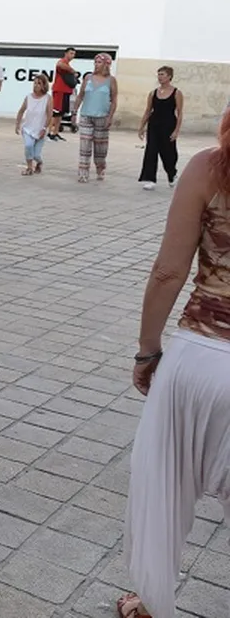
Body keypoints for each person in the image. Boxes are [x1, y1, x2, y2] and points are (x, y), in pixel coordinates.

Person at [121, 112, 230, 618]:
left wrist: (148, 349)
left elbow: (169, 270)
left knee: (167, 487)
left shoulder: (211, 167)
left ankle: (151, 602)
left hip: (199, 357)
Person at [72, 52, 118, 183]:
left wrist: (110, 117)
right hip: (86, 116)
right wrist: (74, 112)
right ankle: (83, 173)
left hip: (102, 117)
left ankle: (100, 166)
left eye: (99, 62)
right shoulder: (88, 78)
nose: (96, 65)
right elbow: (80, 96)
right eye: (95, 62)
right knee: (85, 146)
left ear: (106, 64)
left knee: (100, 148)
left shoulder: (111, 80)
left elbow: (114, 100)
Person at [137, 66, 184, 190]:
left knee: (168, 152)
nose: (160, 77)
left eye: (162, 74)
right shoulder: (153, 93)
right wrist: (141, 126)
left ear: (169, 76)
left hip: (168, 125)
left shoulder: (176, 93)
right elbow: (148, 110)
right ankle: (150, 178)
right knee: (151, 151)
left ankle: (172, 173)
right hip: (154, 125)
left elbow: (180, 113)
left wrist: (176, 131)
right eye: (158, 74)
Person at [15, 74, 52, 176]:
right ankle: (29, 168)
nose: (36, 85)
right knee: (28, 146)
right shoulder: (28, 97)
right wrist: (17, 124)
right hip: (28, 128)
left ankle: (39, 162)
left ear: (44, 85)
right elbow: (21, 111)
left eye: (39, 83)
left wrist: (44, 128)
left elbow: (50, 114)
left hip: (40, 129)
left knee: (36, 154)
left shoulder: (48, 98)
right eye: (34, 83)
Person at [49, 47, 78, 141]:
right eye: (71, 53)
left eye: (74, 54)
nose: (72, 56)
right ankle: (49, 132)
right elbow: (60, 64)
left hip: (66, 91)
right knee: (56, 112)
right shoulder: (62, 62)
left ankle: (56, 132)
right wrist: (73, 71)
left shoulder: (67, 64)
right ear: (66, 53)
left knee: (61, 113)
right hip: (60, 90)